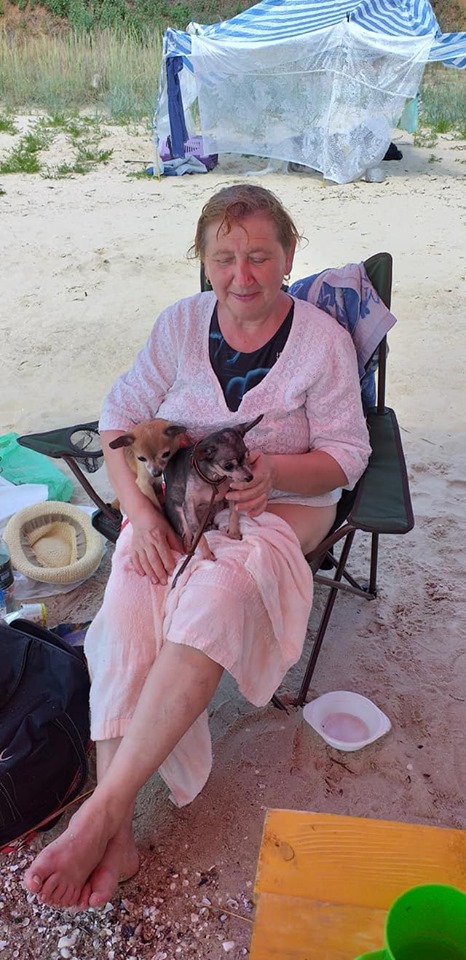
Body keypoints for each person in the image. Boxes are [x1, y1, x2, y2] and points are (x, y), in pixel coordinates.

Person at [24, 184, 371, 910]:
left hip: (270, 512)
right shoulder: (179, 325)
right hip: (174, 507)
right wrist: (138, 513)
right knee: (129, 603)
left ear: (289, 255)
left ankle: (101, 811)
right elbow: (118, 416)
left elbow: (347, 455)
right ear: (204, 260)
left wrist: (276, 472)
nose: (242, 275)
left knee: (213, 599)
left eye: (259, 256)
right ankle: (117, 834)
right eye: (224, 258)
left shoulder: (322, 343)